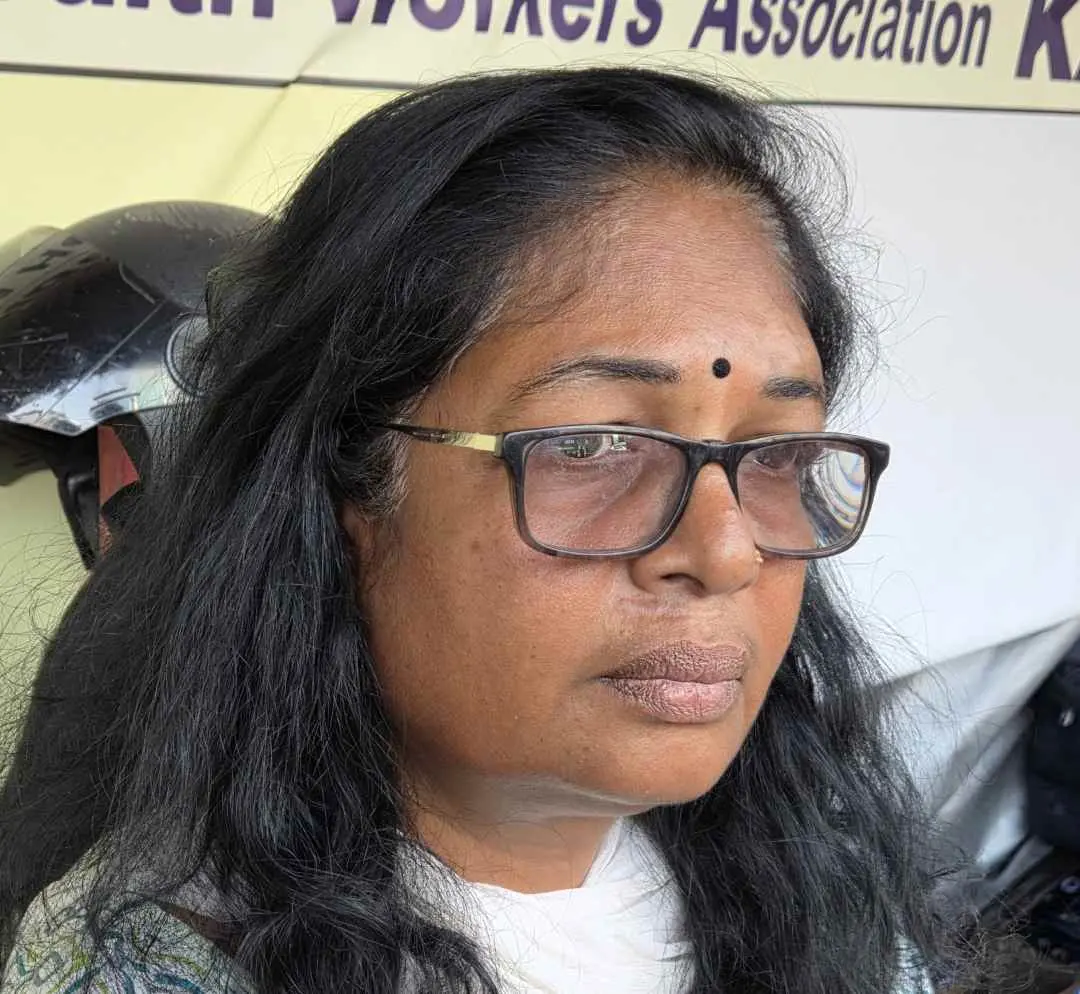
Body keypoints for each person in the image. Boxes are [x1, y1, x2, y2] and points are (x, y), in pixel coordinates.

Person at [0, 67, 958, 994]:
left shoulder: (838, 915)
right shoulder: (145, 969)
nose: (725, 552)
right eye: (591, 445)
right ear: (344, 486)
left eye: (777, 451)